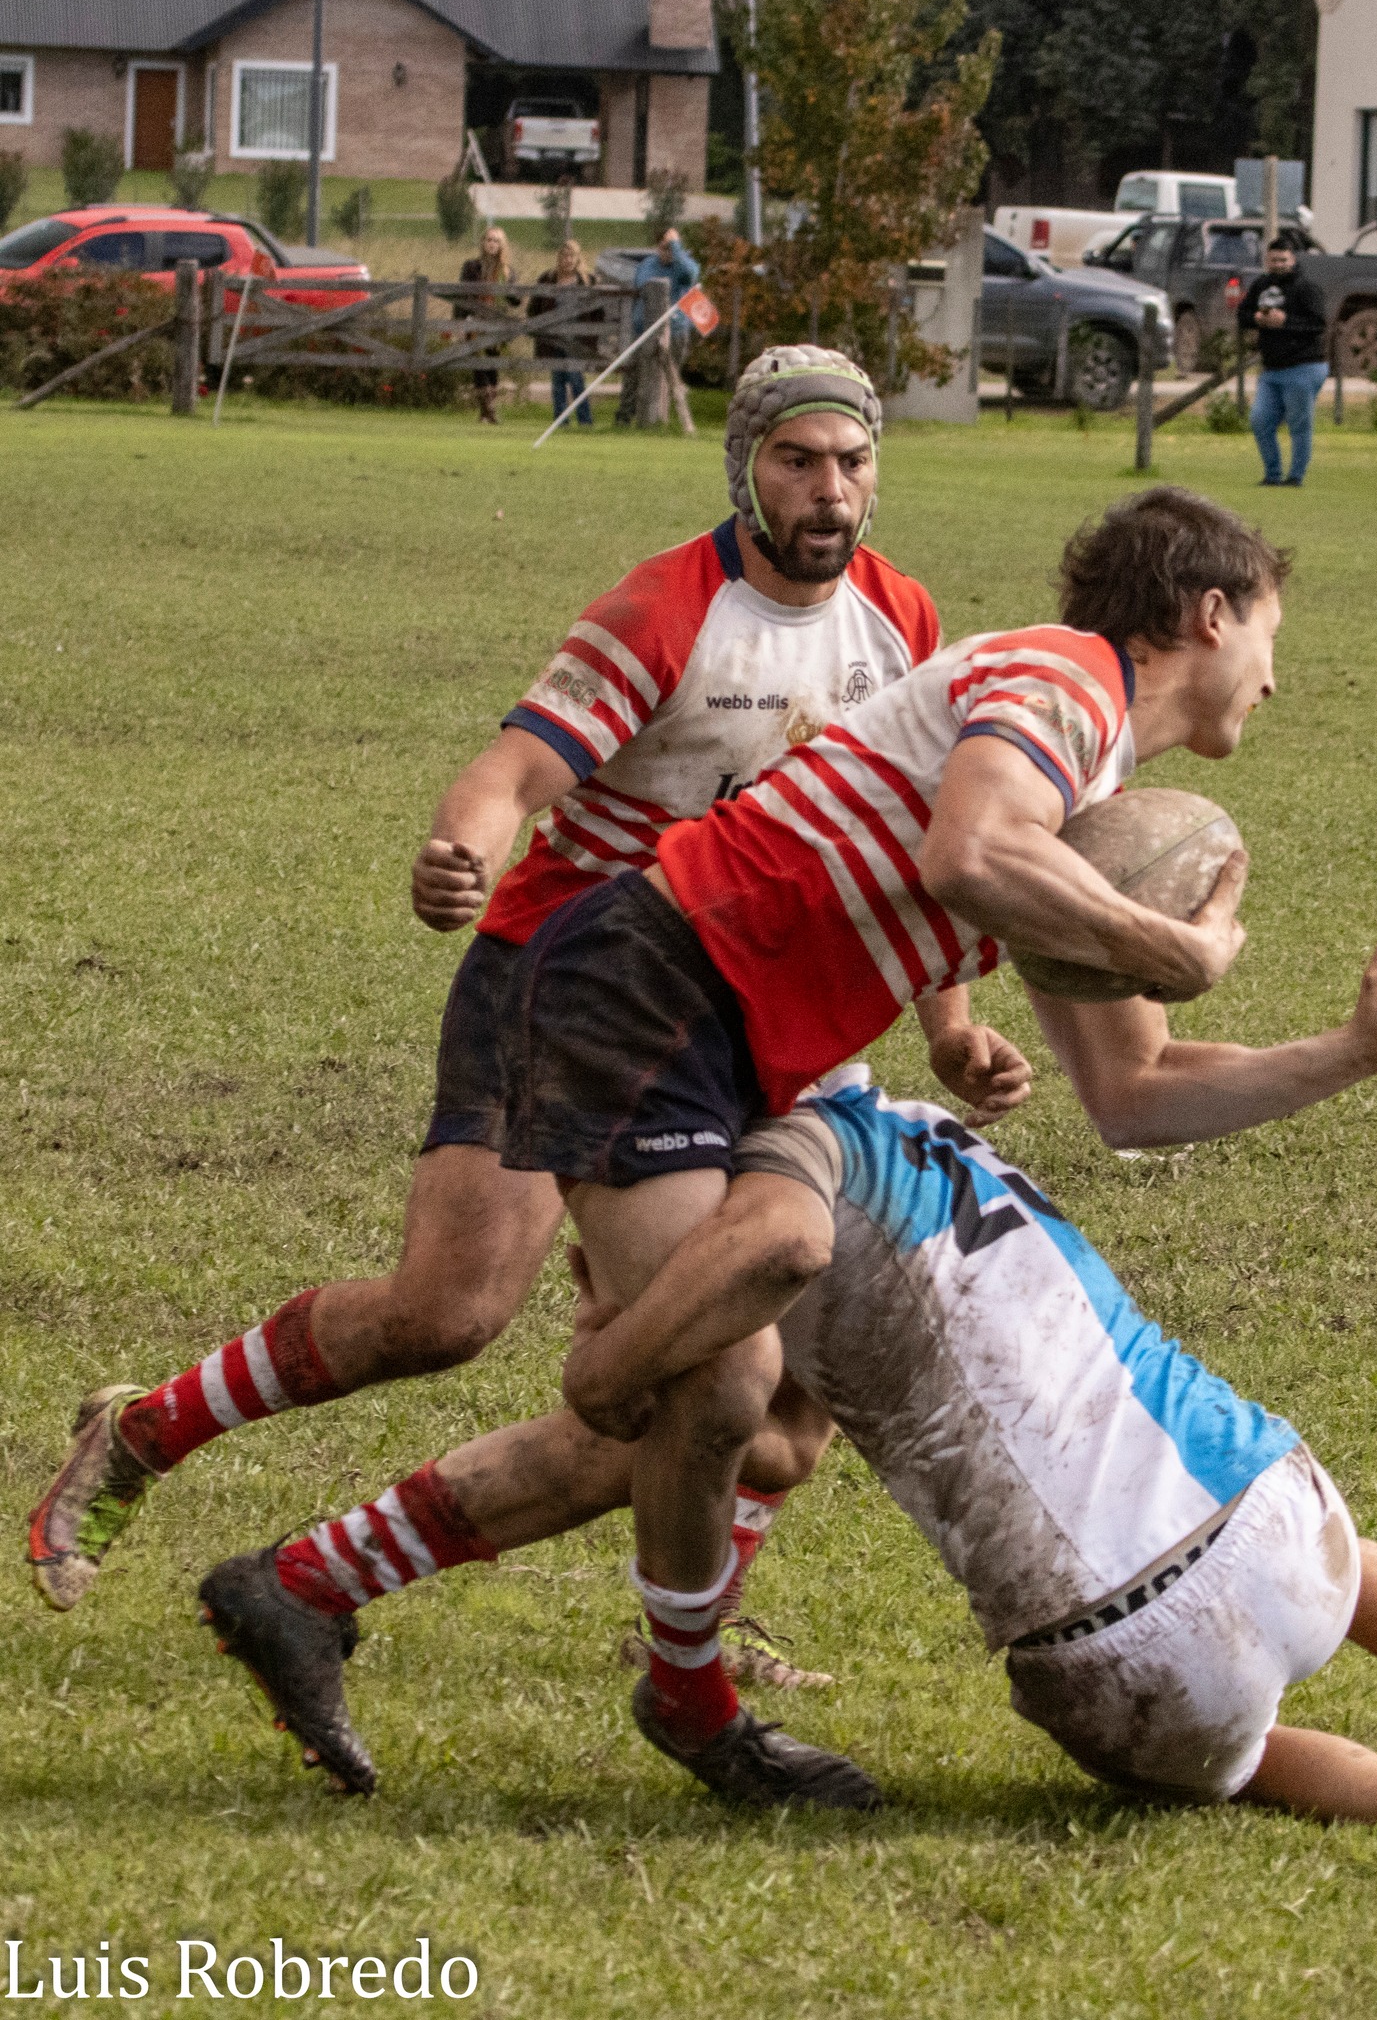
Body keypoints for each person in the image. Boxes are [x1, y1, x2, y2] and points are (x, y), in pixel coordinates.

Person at [474, 486, 1377, 1804]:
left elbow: (1132, 1093)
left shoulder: (1084, 788)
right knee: (714, 1373)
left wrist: (1346, 1054)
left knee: (750, 1412)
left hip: (742, 1039)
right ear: (1212, 612)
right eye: (1271, 639)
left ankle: (404, 1594)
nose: (1275, 681)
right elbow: (969, 853)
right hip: (654, 978)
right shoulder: (1062, 680)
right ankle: (680, 1679)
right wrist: (1174, 947)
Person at [27, 347, 1029, 1617]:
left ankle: (692, 1628)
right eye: (796, 460)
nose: (828, 490)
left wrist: (952, 1025)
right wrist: (462, 852)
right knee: (445, 1312)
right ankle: (141, 1433)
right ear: (746, 469)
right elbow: (511, 771)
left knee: (778, 1407)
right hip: (567, 978)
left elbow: (916, 836)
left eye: (851, 461)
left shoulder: (902, 623)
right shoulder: (665, 609)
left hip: (754, 1017)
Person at [193, 1067, 1377, 1844]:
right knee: (1357, 1589)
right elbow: (790, 1433)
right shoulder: (912, 1115)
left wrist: (615, 1336)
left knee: (1230, 1757)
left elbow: (718, 1404)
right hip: (1268, 1516)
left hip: (1108, 1661)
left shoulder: (757, 1188)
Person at [1237, 236, 1329, 488]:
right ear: (1267, 260)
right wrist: (1257, 317)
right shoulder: (1260, 285)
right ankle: (1272, 474)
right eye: (1273, 260)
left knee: (1299, 423)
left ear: (1293, 259)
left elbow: (1319, 324)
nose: (1278, 265)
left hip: (1304, 366)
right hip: (1271, 368)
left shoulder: (1306, 288)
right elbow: (1242, 315)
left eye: (1283, 260)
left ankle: (1295, 477)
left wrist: (1285, 322)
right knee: (1260, 420)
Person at [615, 226, 699, 430]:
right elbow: (642, 284)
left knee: (668, 377)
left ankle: (660, 419)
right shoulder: (647, 265)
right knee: (633, 373)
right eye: (664, 247)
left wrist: (676, 248)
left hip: (675, 331)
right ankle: (623, 419)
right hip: (643, 329)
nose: (667, 252)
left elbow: (690, 276)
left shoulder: (684, 264)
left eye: (671, 248)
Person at [529, 239, 599, 428]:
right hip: (553, 338)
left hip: (576, 338)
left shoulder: (587, 280)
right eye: (564, 256)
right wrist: (539, 328)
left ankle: (585, 420)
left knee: (576, 379)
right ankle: (561, 420)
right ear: (558, 257)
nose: (567, 260)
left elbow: (598, 312)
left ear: (578, 258)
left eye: (572, 256)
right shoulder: (548, 278)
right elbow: (534, 307)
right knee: (558, 380)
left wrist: (591, 335)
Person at [461, 225, 518, 426]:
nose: (492, 244)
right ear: (483, 243)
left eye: (496, 241)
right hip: (476, 321)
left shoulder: (507, 271)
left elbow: (515, 300)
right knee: (478, 365)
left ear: (502, 245)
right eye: (489, 240)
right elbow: (462, 296)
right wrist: (458, 322)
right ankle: (490, 410)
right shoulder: (471, 267)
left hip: (497, 324)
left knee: (492, 366)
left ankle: (486, 413)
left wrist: (514, 294)